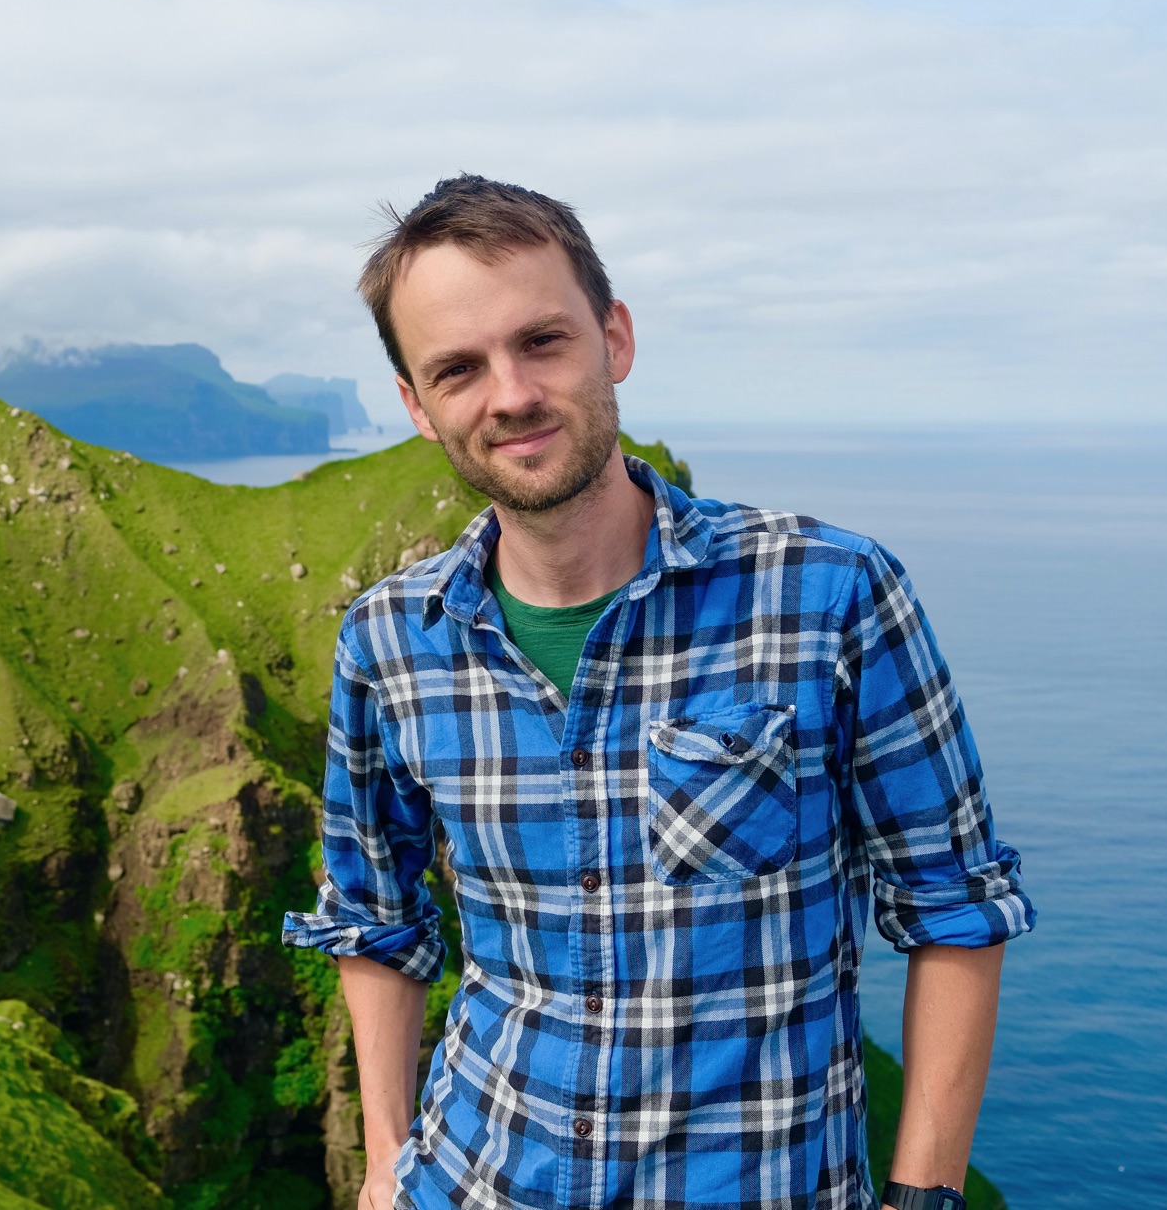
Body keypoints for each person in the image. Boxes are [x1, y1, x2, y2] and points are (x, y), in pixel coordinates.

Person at [282, 177, 1032, 1210]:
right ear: (417, 407)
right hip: (475, 1180)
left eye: (541, 340)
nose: (510, 394)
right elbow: (374, 920)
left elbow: (956, 904)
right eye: (458, 368)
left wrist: (926, 1194)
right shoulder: (389, 638)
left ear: (614, 338)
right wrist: (382, 1162)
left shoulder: (830, 594)